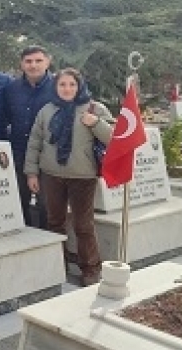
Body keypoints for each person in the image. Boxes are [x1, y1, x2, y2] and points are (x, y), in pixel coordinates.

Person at [23, 68, 114, 287]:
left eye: (72, 84)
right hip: (52, 176)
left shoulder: (95, 108)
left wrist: (96, 123)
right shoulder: (47, 110)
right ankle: (59, 265)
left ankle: (91, 269)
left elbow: (113, 138)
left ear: (79, 86)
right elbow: (35, 142)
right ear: (55, 87)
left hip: (83, 177)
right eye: (62, 84)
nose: (67, 89)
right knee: (55, 222)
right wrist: (31, 172)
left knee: (83, 225)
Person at [5, 46, 55, 228]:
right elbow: (6, 117)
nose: (33, 65)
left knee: (47, 206)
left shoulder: (59, 86)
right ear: (22, 64)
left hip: (49, 156)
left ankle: (49, 241)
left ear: (47, 62)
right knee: (18, 202)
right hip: (19, 154)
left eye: (38, 61)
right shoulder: (12, 88)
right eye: (28, 61)